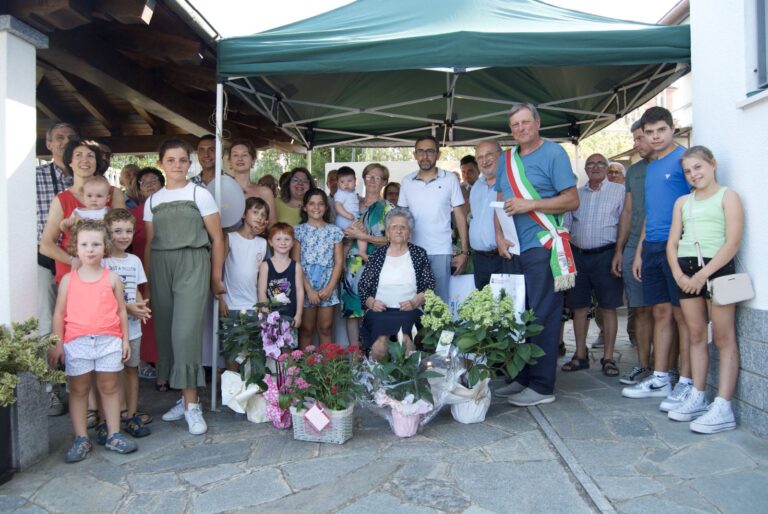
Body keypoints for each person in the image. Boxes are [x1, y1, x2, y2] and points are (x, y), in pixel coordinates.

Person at [493, 102, 579, 407]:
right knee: (521, 314)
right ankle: (524, 378)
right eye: (514, 124)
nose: (520, 129)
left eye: (525, 123)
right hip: (515, 248)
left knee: (543, 315)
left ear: (537, 123)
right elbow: (501, 201)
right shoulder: (507, 159)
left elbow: (571, 200)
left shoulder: (554, 153)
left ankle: (543, 386)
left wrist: (531, 205)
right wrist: (500, 236)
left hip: (543, 246)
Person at [144, 138, 225, 435]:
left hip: (193, 263)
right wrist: (148, 283)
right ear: (161, 163)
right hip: (161, 268)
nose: (177, 165)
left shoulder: (199, 194)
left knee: (185, 332)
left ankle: (193, 405)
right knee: (166, 333)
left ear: (188, 164)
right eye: (171, 160)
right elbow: (151, 245)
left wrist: (216, 278)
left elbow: (218, 238)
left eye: (182, 160)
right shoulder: (152, 201)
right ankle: (182, 397)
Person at [665, 146, 744, 433]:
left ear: (712, 164)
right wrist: (678, 274)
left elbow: (732, 242)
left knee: (723, 337)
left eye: (698, 167)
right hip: (686, 274)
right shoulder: (683, 202)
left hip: (716, 271)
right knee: (696, 335)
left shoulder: (728, 197)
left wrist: (701, 276)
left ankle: (723, 405)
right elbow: (672, 243)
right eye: (688, 171)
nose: (693, 174)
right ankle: (698, 394)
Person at [49, 220, 137, 462]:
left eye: (96, 244)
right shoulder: (69, 280)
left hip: (109, 340)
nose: (90, 249)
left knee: (109, 386)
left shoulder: (112, 279)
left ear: (105, 246)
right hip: (77, 341)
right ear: (75, 247)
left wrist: (125, 341)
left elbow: (121, 311)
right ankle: (81, 437)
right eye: (85, 244)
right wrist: (57, 343)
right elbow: (59, 313)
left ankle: (114, 434)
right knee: (78, 390)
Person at [623, 107, 692, 413]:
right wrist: (638, 252)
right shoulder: (649, 166)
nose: (655, 137)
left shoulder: (685, 161)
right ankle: (661, 377)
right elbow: (651, 213)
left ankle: (688, 382)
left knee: (683, 318)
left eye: (660, 130)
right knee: (659, 313)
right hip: (651, 247)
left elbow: (697, 203)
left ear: (672, 128)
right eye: (649, 133)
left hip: (676, 247)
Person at [561, 153, 625, 377]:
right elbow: (566, 228)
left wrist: (619, 253)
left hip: (606, 255)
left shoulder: (619, 192)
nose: (595, 167)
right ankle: (580, 354)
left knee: (608, 307)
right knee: (579, 307)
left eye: (600, 163)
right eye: (591, 164)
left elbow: (624, 224)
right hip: (579, 256)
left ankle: (608, 357)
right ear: (585, 170)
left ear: (606, 168)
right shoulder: (576, 195)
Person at [40, 139, 125, 285]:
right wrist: (74, 260)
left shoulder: (113, 193)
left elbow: (123, 232)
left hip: (107, 268)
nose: (84, 160)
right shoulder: (61, 199)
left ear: (97, 162)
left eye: (90, 156)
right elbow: (46, 245)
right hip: (73, 270)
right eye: (78, 155)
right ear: (70, 162)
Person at [398, 135, 469, 303]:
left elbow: (460, 216)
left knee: (439, 305)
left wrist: (465, 252)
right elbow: (401, 218)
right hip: (412, 251)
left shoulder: (450, 179)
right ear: (414, 154)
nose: (425, 156)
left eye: (430, 151)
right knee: (412, 304)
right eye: (421, 151)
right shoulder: (406, 181)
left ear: (438, 154)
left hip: (440, 250)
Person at [358, 208, 435, 361]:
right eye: (394, 227)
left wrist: (414, 302)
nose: (398, 230)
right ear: (387, 232)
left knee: (405, 339)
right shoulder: (377, 255)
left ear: (410, 233)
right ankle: (380, 381)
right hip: (380, 311)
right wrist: (371, 302)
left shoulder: (419, 254)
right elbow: (363, 287)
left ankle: (406, 381)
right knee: (380, 343)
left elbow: (429, 286)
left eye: (403, 227)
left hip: (409, 310)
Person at [103, 209, 152, 438]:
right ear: (107, 232)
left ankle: (131, 415)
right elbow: (101, 297)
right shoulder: (102, 262)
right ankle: (108, 419)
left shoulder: (134, 261)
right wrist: (128, 307)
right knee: (110, 375)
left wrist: (141, 308)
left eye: (128, 231)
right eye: (117, 231)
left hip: (132, 328)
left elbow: (136, 291)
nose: (124, 236)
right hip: (109, 329)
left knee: (132, 371)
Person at [612, 121, 655, 386]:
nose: (636, 144)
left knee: (665, 313)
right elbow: (627, 212)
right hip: (631, 249)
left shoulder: (673, 165)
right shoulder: (634, 171)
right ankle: (643, 365)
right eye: (636, 138)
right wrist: (619, 249)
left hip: (660, 247)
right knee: (639, 309)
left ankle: (668, 368)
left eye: (640, 138)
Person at [36, 123, 78, 377]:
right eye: (59, 138)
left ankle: (77, 380)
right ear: (49, 144)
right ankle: (49, 385)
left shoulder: (85, 177)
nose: (65, 141)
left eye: (70, 137)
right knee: (46, 320)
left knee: (78, 320)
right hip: (45, 257)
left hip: (81, 261)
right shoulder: (35, 177)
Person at [339, 164, 394, 346]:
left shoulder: (388, 209)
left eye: (377, 178)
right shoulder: (351, 202)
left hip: (377, 264)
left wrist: (361, 236)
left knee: (376, 309)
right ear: (362, 179)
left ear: (384, 182)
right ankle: (355, 357)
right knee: (353, 310)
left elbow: (391, 240)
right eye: (369, 176)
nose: (372, 181)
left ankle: (375, 356)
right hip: (351, 264)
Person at [292, 188, 344, 347]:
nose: (316, 207)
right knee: (306, 329)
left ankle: (327, 371)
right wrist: (308, 290)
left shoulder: (334, 231)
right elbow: (296, 263)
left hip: (327, 285)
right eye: (312, 203)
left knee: (326, 328)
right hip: (306, 285)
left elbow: (339, 263)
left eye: (321, 204)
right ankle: (307, 370)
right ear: (304, 207)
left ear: (326, 207)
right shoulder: (298, 231)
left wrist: (329, 288)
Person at [132, 168, 165, 387]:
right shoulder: (134, 214)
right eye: (145, 183)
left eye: (154, 180)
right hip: (141, 274)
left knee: (166, 321)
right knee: (146, 321)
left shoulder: (170, 209)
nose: (150, 185)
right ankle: (144, 363)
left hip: (167, 271)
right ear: (139, 190)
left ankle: (164, 371)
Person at [219, 197, 269, 319]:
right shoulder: (230, 238)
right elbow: (218, 270)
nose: (260, 217)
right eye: (255, 212)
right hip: (230, 305)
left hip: (253, 306)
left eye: (263, 215)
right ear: (243, 214)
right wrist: (220, 300)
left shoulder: (263, 243)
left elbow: (263, 276)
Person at [469, 140, 504, 289]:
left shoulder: (510, 182)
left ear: (501, 156)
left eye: (489, 154)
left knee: (506, 308)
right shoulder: (477, 186)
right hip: (480, 259)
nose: (485, 160)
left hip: (503, 258)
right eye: (480, 157)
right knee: (483, 309)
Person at [258, 222, 305, 326]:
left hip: (290, 317)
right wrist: (266, 314)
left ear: (292, 242)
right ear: (270, 242)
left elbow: (300, 291)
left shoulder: (296, 266)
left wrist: (299, 314)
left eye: (287, 239)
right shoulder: (265, 266)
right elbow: (262, 291)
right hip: (270, 318)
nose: (283, 242)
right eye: (278, 239)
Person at [228, 138, 277, 227]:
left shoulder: (265, 192)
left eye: (245, 155)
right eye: (235, 155)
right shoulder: (221, 190)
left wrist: (262, 230)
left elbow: (272, 224)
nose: (240, 158)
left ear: (253, 161)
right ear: (229, 162)